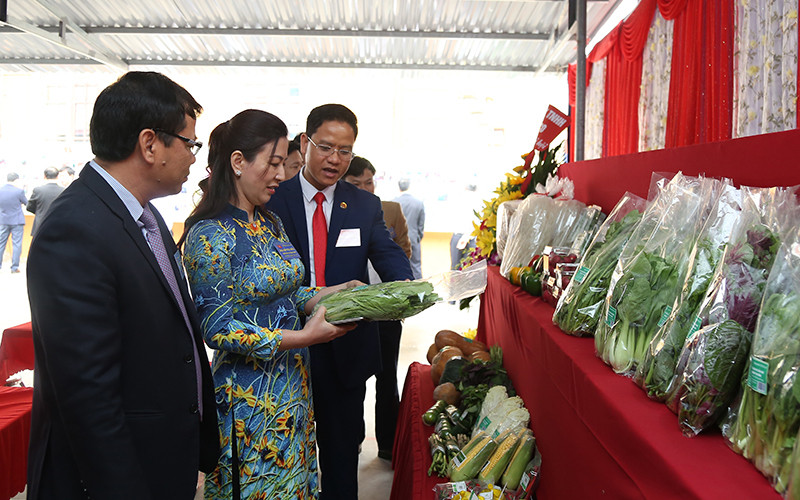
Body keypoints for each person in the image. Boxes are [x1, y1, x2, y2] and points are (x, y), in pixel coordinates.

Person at [25, 71, 220, 500]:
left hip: (160, 457)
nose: (194, 157)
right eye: (189, 143)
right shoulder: (76, 227)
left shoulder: (143, 217)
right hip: (117, 475)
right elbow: (87, 394)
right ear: (150, 144)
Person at [181, 109, 358, 499]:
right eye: (274, 163)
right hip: (249, 401)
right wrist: (303, 338)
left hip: (292, 387)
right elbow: (217, 327)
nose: (281, 174)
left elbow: (289, 293)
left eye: (283, 164)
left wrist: (336, 291)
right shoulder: (209, 235)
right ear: (239, 162)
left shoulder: (268, 222)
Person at [265, 104, 413, 499]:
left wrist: (407, 286)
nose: (335, 159)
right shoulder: (271, 199)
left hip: (345, 347)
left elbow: (386, 253)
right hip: (285, 347)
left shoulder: (363, 204)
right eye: (326, 147)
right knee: (284, 454)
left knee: (342, 455)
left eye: (345, 151)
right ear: (305, 143)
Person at [343, 156, 411, 460]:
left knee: (387, 379)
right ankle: (352, 439)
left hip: (386, 311)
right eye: (356, 184)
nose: (364, 189)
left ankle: (388, 445)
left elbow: (402, 251)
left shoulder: (390, 210)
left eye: (368, 182)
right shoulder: (339, 212)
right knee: (352, 378)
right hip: (350, 309)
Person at [394, 178, 426, 279]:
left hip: (397, 240)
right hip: (413, 238)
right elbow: (421, 225)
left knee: (397, 267)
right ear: (409, 186)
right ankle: (420, 292)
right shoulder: (418, 203)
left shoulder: (393, 202)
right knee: (416, 267)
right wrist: (417, 237)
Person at [0, 172, 28, 273]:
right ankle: (14, 267)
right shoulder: (19, 191)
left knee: (1, 243)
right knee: (16, 244)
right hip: (17, 221)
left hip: (3, 220)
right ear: (16, 180)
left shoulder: (1, 190)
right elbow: (27, 204)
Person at [26, 166, 64, 237]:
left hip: (40, 225)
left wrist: (39, 212)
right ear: (57, 176)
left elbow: (29, 207)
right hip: (58, 225)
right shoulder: (63, 191)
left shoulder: (38, 190)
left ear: (44, 176)